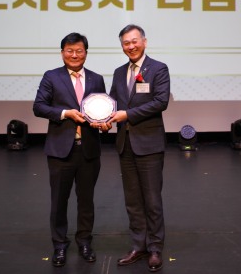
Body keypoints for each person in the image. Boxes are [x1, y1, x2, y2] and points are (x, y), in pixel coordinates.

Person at [32, 32, 111, 267]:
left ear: (86, 53)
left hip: (89, 149)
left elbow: (102, 109)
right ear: (62, 53)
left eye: (79, 51)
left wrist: (105, 123)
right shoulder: (52, 76)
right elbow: (39, 107)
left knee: (86, 201)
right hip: (60, 150)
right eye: (69, 51)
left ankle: (85, 242)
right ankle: (59, 245)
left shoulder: (96, 79)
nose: (74, 55)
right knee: (59, 201)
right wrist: (65, 113)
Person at [105, 24, 171, 272]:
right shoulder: (118, 72)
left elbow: (160, 102)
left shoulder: (158, 69)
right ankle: (138, 245)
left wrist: (127, 115)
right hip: (125, 143)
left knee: (152, 200)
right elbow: (112, 103)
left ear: (144, 41)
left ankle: (154, 248)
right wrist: (104, 119)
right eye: (126, 43)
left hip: (149, 144)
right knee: (132, 201)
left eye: (134, 41)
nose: (130, 46)